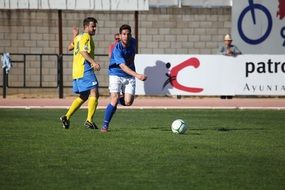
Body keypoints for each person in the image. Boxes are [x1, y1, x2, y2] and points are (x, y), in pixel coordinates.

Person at [101, 24, 147, 132]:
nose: (126, 36)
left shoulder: (133, 42)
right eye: (124, 34)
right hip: (115, 74)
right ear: (120, 36)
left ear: (131, 35)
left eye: (128, 34)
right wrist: (137, 75)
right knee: (114, 99)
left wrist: (133, 75)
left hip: (129, 76)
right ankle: (105, 125)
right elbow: (122, 66)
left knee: (128, 102)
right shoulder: (117, 49)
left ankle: (117, 99)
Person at [60, 17, 101, 129]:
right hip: (85, 68)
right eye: (92, 26)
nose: (95, 28)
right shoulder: (86, 37)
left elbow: (69, 48)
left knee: (84, 96)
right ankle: (89, 120)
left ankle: (67, 117)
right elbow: (83, 51)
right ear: (86, 27)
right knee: (94, 92)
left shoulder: (78, 37)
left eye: (95, 26)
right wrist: (93, 63)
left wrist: (74, 35)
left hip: (76, 71)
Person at [219, 34, 241, 99]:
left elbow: (239, 53)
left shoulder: (234, 47)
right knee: (223, 81)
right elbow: (218, 53)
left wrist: (232, 53)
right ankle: (223, 95)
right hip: (223, 68)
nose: (228, 42)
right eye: (227, 41)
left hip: (231, 68)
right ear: (224, 41)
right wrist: (226, 53)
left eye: (229, 41)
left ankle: (229, 95)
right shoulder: (222, 47)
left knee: (230, 81)